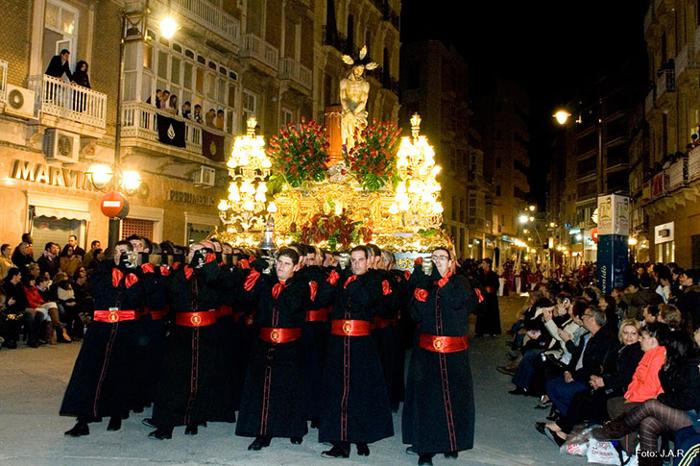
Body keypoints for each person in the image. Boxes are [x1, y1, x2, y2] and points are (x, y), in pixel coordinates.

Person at [60, 240, 145, 436]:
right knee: (89, 371)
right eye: (116, 252)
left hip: (125, 329)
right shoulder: (102, 271)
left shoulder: (137, 274)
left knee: (120, 371)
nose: (119, 255)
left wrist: (129, 275)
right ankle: (83, 418)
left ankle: (116, 412)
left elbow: (136, 298)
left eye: (123, 252)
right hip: (100, 328)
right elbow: (98, 291)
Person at [403, 248, 477, 466]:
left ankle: (451, 442)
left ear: (451, 262)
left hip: (454, 354)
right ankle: (425, 448)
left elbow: (456, 301)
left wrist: (441, 282)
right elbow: (415, 316)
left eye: (441, 258)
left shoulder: (460, 282)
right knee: (427, 402)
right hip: (427, 354)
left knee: (454, 401)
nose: (437, 262)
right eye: (433, 259)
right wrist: (417, 296)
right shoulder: (427, 284)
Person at [319, 245, 394, 458]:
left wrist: (349, 281)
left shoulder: (375, 280)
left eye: (360, 260)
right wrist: (332, 279)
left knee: (361, 390)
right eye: (353, 260)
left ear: (369, 261)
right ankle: (340, 442)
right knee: (337, 391)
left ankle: (362, 437)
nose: (356, 264)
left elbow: (366, 299)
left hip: (361, 343)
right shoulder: (342, 277)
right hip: (337, 343)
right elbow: (322, 300)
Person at [235, 248, 313, 450]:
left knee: (290, 388)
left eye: (287, 263)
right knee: (265, 389)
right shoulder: (266, 282)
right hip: (265, 343)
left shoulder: (301, 285)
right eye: (279, 262)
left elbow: (291, 306)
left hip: (290, 345)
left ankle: (294, 429)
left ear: (296, 267)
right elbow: (245, 299)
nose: (281, 267)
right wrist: (255, 276)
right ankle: (263, 431)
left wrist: (275, 288)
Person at [475, 258, 502, 336]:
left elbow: (496, 285)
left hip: (491, 298)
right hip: (483, 297)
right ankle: (480, 331)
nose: (482, 265)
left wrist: (490, 289)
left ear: (488, 264)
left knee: (491, 313)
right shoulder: (480, 274)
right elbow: (478, 283)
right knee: (482, 313)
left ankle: (492, 331)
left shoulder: (493, 274)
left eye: (483, 263)